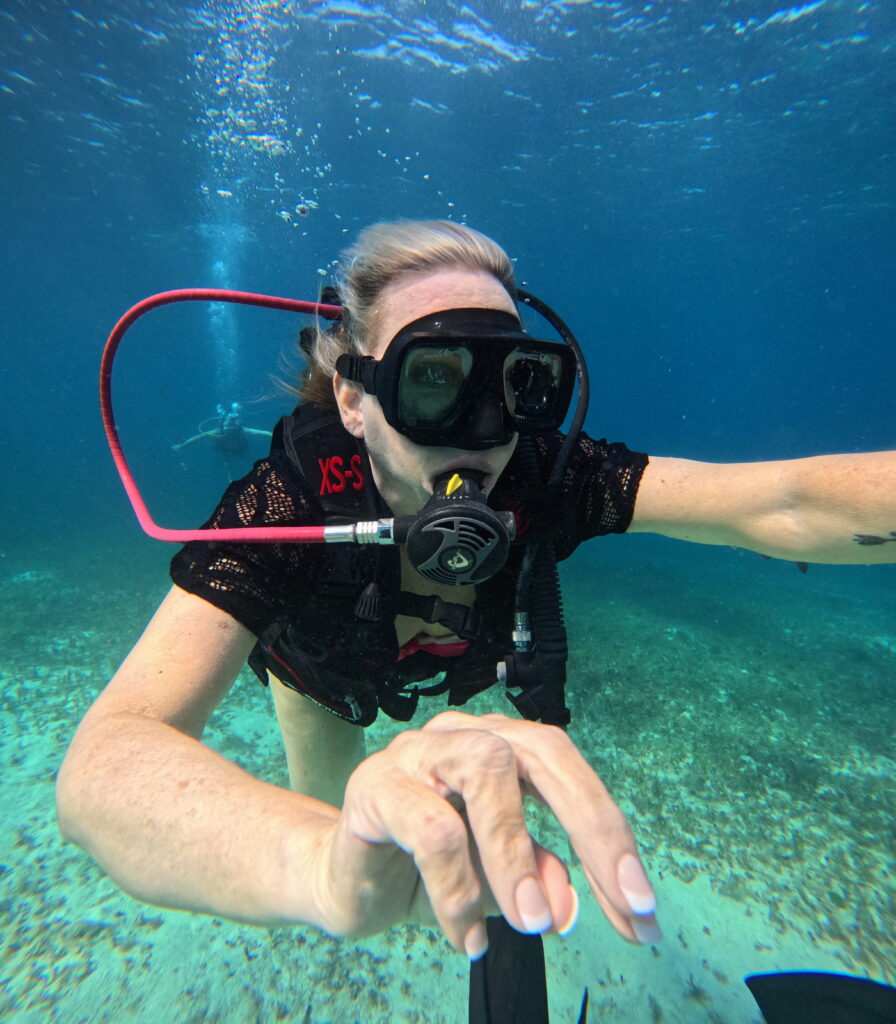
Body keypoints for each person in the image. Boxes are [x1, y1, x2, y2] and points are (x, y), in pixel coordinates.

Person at [57, 220, 895, 968]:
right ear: (353, 396)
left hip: (456, 665)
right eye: (434, 381)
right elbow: (103, 767)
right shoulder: (290, 498)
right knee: (335, 822)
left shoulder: (543, 474)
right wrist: (320, 866)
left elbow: (783, 502)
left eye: (517, 385)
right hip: (322, 682)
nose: (484, 432)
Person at [171, 401, 272, 481]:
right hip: (226, 448)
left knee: (241, 460)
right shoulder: (224, 431)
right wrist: (182, 445)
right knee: (228, 463)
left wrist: (182, 446)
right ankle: (232, 481)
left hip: (238, 447)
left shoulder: (240, 430)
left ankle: (249, 476)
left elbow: (262, 432)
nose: (230, 429)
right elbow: (198, 437)